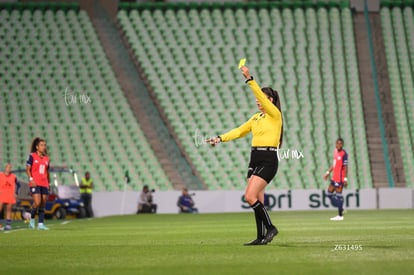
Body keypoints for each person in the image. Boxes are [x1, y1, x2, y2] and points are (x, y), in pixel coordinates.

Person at [207, 65, 283, 245]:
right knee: (257, 199)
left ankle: (271, 228)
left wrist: (249, 78)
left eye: (263, 99)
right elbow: (239, 131)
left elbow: (262, 101)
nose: (259, 101)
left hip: (268, 159)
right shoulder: (256, 118)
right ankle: (261, 236)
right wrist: (220, 138)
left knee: (249, 197)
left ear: (270, 101)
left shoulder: (275, 115)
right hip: (255, 158)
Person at [26, 137, 50, 230]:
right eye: (41, 145)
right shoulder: (32, 156)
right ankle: (31, 219)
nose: (43, 147)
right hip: (35, 183)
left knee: (43, 203)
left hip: (44, 183)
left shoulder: (47, 158)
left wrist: (49, 184)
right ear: (37, 147)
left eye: (44, 145)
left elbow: (47, 172)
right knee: (37, 202)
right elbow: (27, 169)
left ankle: (40, 224)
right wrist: (31, 178)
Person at [323, 138, 348, 221]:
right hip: (334, 178)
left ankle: (340, 215)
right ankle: (341, 208)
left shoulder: (344, 154)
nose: (338, 145)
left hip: (340, 179)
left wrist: (345, 179)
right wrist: (327, 173)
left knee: (338, 196)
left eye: (340, 144)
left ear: (342, 145)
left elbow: (345, 167)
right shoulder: (335, 152)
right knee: (329, 193)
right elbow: (333, 165)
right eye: (337, 143)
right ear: (335, 144)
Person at [0, 163, 17, 231]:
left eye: (10, 168)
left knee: (8, 210)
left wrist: (16, 193)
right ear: (5, 168)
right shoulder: (0, 175)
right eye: (7, 167)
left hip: (10, 195)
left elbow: (18, 185)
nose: (8, 169)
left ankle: (8, 225)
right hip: (1, 194)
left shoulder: (13, 176)